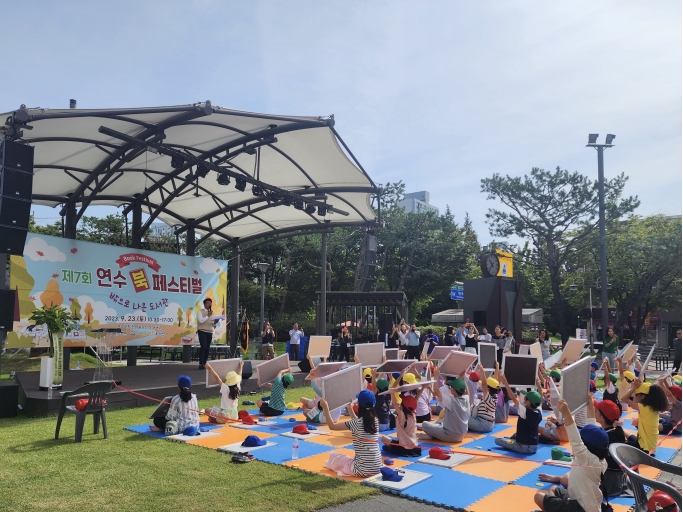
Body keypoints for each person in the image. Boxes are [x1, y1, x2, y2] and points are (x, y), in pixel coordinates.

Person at [534, 399, 608, 512]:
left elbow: (574, 437)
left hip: (580, 508)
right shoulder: (599, 458)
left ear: (586, 445)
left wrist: (566, 412)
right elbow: (592, 429)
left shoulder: (587, 459)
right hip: (581, 502)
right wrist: (590, 407)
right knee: (554, 489)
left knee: (538, 496)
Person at [322, 390, 383, 478]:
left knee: (334, 456)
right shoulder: (375, 420)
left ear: (359, 405)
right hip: (377, 468)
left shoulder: (356, 423)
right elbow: (358, 423)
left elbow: (332, 426)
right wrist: (350, 409)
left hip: (361, 470)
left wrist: (326, 408)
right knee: (353, 457)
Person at [419, 366, 470, 443]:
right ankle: (433, 435)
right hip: (462, 434)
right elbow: (467, 393)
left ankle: (432, 435)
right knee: (439, 421)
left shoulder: (451, 401)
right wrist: (463, 380)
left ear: (453, 390)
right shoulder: (466, 398)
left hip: (450, 435)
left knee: (425, 424)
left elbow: (436, 393)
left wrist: (436, 377)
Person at [381, 370, 424, 456]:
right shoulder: (413, 414)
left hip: (402, 446)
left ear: (403, 405)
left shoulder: (402, 415)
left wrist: (392, 394)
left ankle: (391, 448)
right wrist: (423, 388)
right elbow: (416, 399)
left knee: (383, 438)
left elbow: (395, 404)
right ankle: (391, 447)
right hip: (414, 446)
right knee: (389, 443)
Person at [494, 379, 543, 454]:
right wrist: (539, 386)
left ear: (529, 402)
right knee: (513, 437)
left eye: (525, 398)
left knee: (497, 440)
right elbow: (541, 400)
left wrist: (506, 383)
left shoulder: (525, 412)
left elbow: (513, 398)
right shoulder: (539, 411)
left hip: (523, 446)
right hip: (535, 446)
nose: (523, 398)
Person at [620, 379, 669, 453]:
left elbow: (624, 399)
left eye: (636, 394)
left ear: (642, 396)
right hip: (648, 446)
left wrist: (634, 387)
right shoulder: (651, 407)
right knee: (628, 437)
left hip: (645, 449)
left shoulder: (644, 408)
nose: (633, 396)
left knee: (617, 446)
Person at [593, 398, 628, 497]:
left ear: (603, 418)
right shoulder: (615, 431)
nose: (594, 411)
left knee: (569, 480)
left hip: (609, 482)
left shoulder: (605, 436)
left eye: (596, 411)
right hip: (617, 479)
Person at [468, 362, 498, 433]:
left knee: (460, 416)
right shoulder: (495, 396)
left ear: (488, 389)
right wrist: (496, 368)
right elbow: (495, 381)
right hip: (489, 424)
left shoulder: (489, 398)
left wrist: (482, 370)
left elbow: (484, 384)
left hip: (482, 424)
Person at [196, 298, 218, 370]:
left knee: (207, 348)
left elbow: (212, 324)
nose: (209, 304)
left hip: (209, 332)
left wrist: (215, 323)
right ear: (204, 304)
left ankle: (205, 363)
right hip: (202, 331)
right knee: (204, 346)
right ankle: (201, 363)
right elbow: (201, 321)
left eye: (210, 303)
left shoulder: (211, 312)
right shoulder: (200, 311)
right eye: (208, 303)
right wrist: (208, 315)